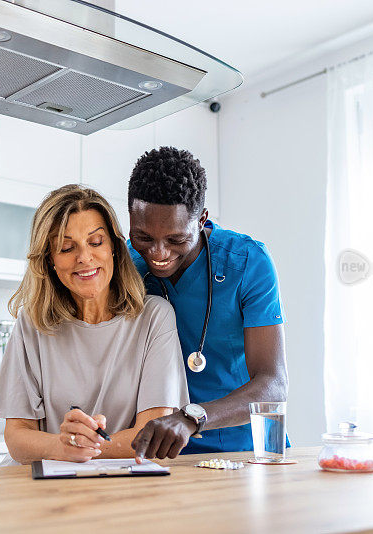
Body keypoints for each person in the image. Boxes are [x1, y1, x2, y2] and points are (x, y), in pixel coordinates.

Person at [0, 184, 189, 464]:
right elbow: (17, 438)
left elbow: (152, 433)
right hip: (42, 484)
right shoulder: (32, 323)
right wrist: (62, 446)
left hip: (121, 483)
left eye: (95, 242)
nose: (84, 257)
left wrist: (81, 446)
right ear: (50, 260)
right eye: (67, 247)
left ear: (114, 249)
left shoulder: (155, 317)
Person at [126, 146, 288, 458]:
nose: (158, 253)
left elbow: (274, 384)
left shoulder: (248, 262)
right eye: (144, 237)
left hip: (244, 450)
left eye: (176, 239)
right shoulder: (125, 263)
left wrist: (192, 417)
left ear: (201, 219)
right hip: (160, 452)